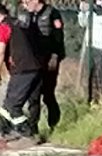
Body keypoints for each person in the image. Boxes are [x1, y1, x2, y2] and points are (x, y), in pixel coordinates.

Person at [0, 3, 44, 140]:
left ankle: (27, 133)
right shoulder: (18, 23)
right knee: (9, 101)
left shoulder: (4, 27)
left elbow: (0, 51)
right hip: (34, 67)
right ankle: (0, 128)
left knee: (14, 106)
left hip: (23, 69)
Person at [21, 0, 65, 134]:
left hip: (49, 59)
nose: (25, 3)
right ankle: (32, 128)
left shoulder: (52, 13)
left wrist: (55, 55)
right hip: (34, 60)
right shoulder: (28, 14)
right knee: (33, 95)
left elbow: (58, 36)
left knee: (47, 94)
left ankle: (54, 124)